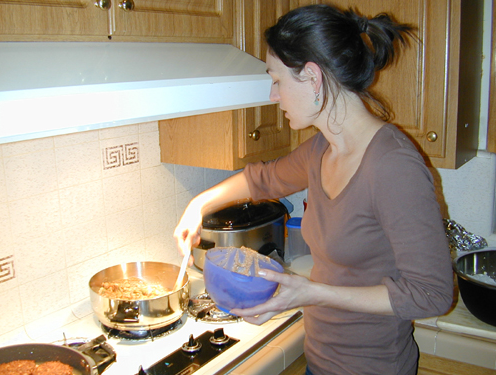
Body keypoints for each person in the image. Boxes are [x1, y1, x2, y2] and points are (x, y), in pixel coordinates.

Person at [174, 4, 453, 375]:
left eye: (277, 80)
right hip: (320, 360)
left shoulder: (392, 165)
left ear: (312, 77)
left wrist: (310, 293)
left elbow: (432, 294)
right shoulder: (322, 149)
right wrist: (199, 204)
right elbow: (262, 179)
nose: (274, 96)